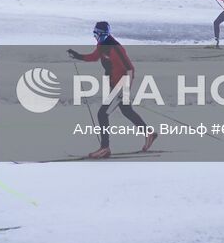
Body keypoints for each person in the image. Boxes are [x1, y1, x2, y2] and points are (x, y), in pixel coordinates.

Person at [66, 22, 156, 158]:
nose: (98, 37)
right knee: (127, 111)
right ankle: (148, 133)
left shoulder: (115, 48)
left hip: (121, 86)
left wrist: (125, 89)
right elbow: (94, 57)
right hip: (115, 85)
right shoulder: (102, 46)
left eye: (101, 35)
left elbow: (130, 69)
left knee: (102, 114)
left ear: (106, 35)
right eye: (96, 34)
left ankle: (105, 148)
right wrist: (77, 56)